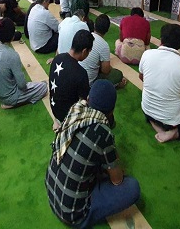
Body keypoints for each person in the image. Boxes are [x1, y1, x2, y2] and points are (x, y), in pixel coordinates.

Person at [46, 80, 141, 228]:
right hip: (73, 215)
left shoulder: (76, 110)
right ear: (111, 111)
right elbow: (117, 180)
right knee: (132, 187)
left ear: (88, 99)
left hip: (52, 192)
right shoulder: (102, 133)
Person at [139, 24, 180, 143]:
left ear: (161, 39)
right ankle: (175, 133)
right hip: (169, 121)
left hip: (147, 110)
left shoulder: (147, 54)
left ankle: (154, 122)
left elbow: (141, 77)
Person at [0, 18, 48, 109]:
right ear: (13, 36)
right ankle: (13, 103)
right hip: (10, 97)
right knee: (43, 87)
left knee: (33, 84)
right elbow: (22, 85)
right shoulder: (12, 55)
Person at [48, 30, 92, 125]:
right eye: (89, 52)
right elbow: (86, 99)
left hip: (55, 109)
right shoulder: (81, 73)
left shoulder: (57, 58)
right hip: (68, 117)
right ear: (84, 51)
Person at [80, 14, 126, 88]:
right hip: (89, 84)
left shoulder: (86, 36)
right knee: (118, 75)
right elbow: (105, 70)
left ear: (94, 25)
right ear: (107, 30)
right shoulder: (104, 45)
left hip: (77, 78)